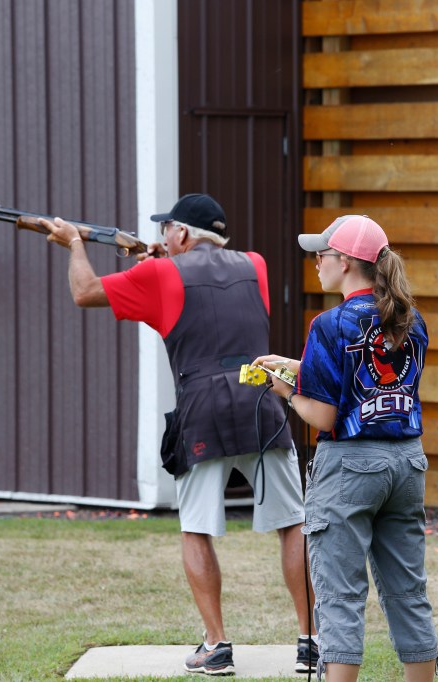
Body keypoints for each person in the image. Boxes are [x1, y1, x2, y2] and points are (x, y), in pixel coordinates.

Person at [37, 194, 318, 677]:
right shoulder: (256, 265)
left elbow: (84, 292)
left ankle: (217, 645)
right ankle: (310, 641)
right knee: (292, 523)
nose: (162, 237)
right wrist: (160, 263)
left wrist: (75, 244)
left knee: (197, 528)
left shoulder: (160, 273)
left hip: (202, 408)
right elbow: (209, 294)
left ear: (182, 234)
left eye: (166, 229)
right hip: (261, 400)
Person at [253, 214, 438, 682]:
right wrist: (298, 365)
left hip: (350, 466)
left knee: (340, 596)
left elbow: (324, 416)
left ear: (347, 262)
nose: (316, 262)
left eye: (322, 254)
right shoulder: (411, 320)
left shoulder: (329, 323)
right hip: (406, 462)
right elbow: (373, 379)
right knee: (408, 593)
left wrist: (285, 390)